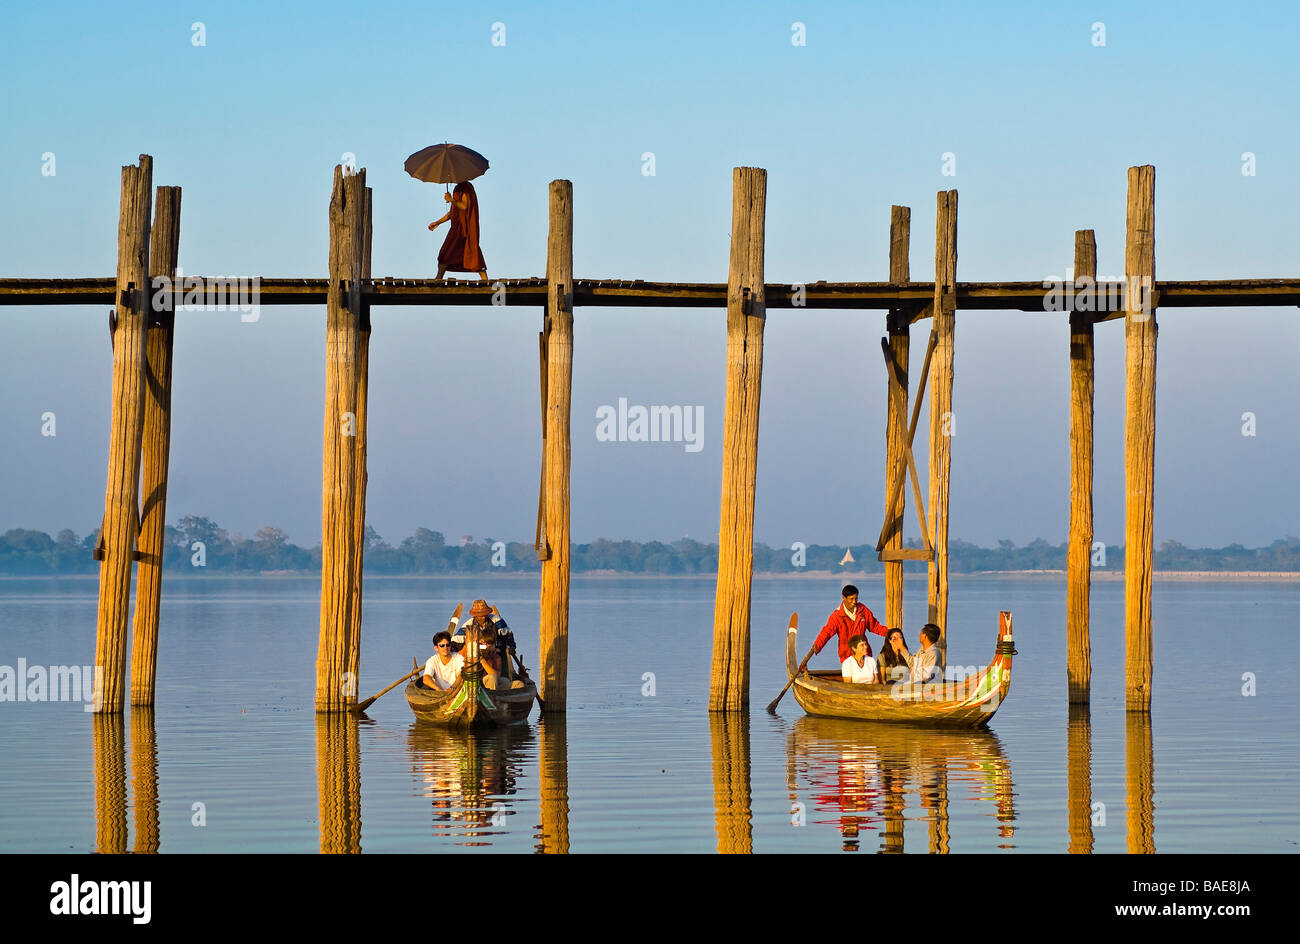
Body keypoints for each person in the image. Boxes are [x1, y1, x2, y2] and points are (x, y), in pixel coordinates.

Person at [812, 584, 890, 664]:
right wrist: (817, 645)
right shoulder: (837, 616)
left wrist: (890, 633)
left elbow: (875, 626)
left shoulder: (863, 610)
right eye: (851, 599)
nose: (854, 602)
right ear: (844, 598)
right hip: (847, 656)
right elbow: (827, 632)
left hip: (864, 654)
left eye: (856, 598)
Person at [429, 180, 488, 281]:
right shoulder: (457, 188)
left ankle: (485, 280)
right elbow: (453, 213)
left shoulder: (466, 187)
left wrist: (451, 199)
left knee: (471, 252)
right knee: (446, 252)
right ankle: (439, 277)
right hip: (456, 227)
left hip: (464, 229)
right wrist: (437, 222)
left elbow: (464, 206)